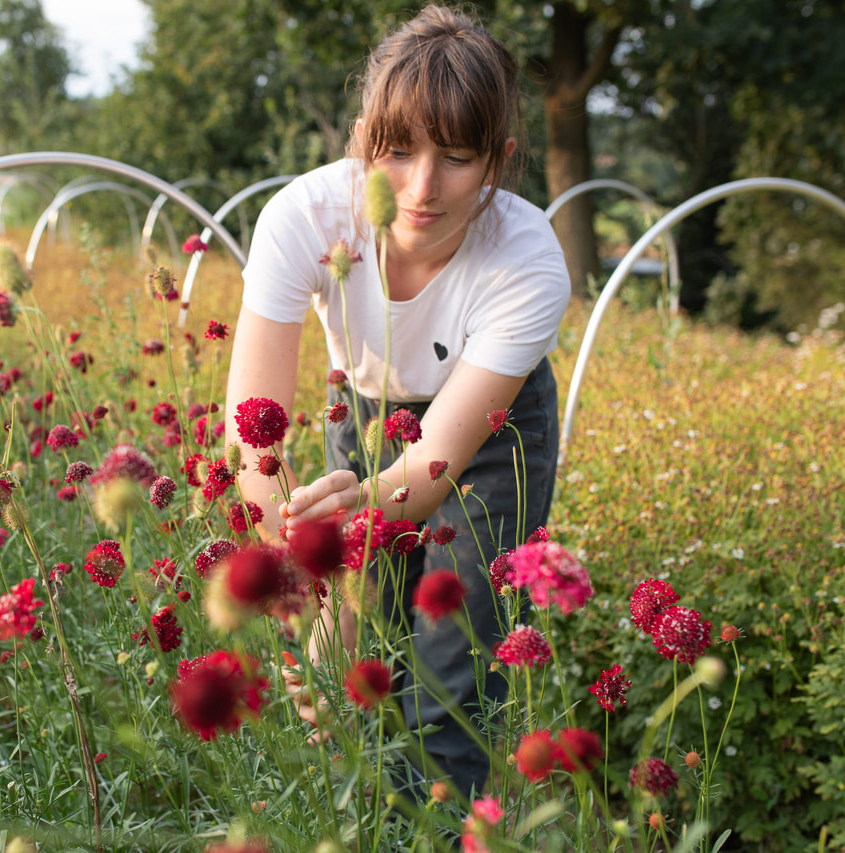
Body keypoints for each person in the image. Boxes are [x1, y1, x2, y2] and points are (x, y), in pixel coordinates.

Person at [223, 5, 570, 796]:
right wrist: (296, 567)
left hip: (484, 439)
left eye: (455, 157)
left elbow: (437, 461)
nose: (421, 187)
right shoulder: (301, 219)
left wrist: (347, 533)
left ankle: (441, 826)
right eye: (397, 151)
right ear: (359, 143)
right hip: (364, 414)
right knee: (339, 665)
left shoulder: (527, 260)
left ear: (498, 159)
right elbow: (256, 433)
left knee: (448, 675)